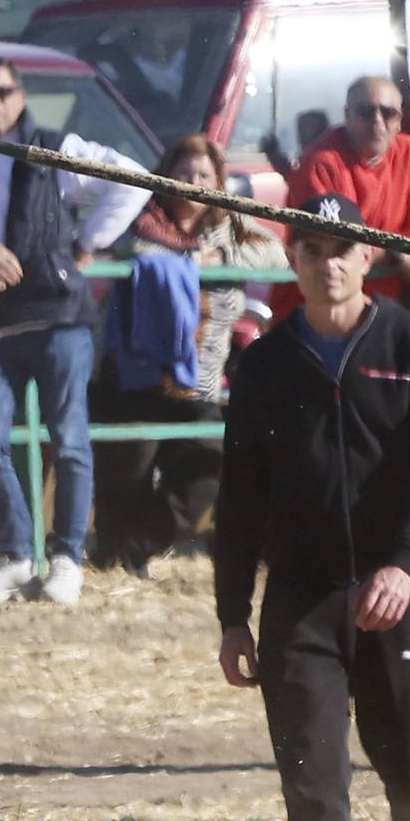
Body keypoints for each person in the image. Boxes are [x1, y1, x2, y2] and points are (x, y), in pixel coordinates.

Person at [214, 193, 410, 821]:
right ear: (292, 257)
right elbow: (239, 497)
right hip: (301, 599)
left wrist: (405, 565)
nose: (329, 263)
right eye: (312, 249)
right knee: (314, 787)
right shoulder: (265, 365)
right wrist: (232, 614)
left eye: (342, 248)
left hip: (396, 596)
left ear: (368, 252)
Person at [0, 55, 150, 608]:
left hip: (60, 319)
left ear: (21, 96)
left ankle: (67, 558)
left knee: (69, 442)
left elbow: (134, 181)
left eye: (3, 90)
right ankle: (18, 552)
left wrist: (89, 243)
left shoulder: (56, 149)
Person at [96, 134, 284, 562]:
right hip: (137, 375)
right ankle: (113, 555)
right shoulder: (142, 219)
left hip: (200, 378)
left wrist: (220, 256)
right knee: (128, 469)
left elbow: (275, 253)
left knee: (206, 469)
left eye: (203, 174)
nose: (192, 182)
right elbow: (131, 251)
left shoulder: (231, 226)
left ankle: (142, 546)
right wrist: (185, 263)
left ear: (218, 182)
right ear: (166, 176)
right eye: (183, 172)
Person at [290, 74, 410, 303]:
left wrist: (378, 250)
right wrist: (393, 252)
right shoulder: (321, 163)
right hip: (317, 305)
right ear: (347, 116)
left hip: (379, 306)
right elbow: (331, 248)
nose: (377, 121)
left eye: (388, 113)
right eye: (366, 112)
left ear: (399, 121)